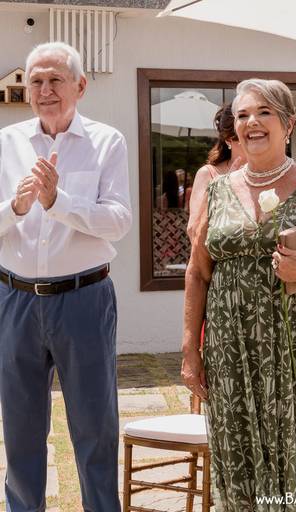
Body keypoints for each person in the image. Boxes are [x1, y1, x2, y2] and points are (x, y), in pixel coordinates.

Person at [180, 78, 296, 510]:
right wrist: (190, 348)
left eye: (264, 113)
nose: (252, 123)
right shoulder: (217, 190)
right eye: (242, 115)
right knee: (237, 450)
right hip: (231, 348)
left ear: (288, 124)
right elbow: (198, 272)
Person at [0, 42, 131, 511]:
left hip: (83, 299)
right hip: (14, 299)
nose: (45, 90)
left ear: (81, 85)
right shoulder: (6, 142)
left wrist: (59, 202)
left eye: (55, 79)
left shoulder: (107, 141)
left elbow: (119, 220)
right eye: (36, 81)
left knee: (95, 428)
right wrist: (16, 207)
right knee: (19, 431)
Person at [187, 102, 245, 240]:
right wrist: (225, 188)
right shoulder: (208, 174)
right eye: (243, 136)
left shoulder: (271, 172)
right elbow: (193, 229)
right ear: (228, 140)